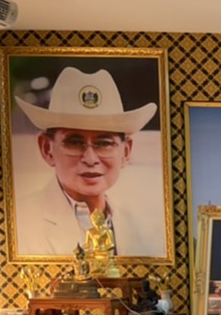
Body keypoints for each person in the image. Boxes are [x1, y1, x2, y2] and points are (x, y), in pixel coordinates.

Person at [12, 66, 167, 259]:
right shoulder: (18, 224)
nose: (91, 159)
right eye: (74, 142)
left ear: (126, 152)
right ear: (47, 149)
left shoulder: (144, 231)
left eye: (104, 143)